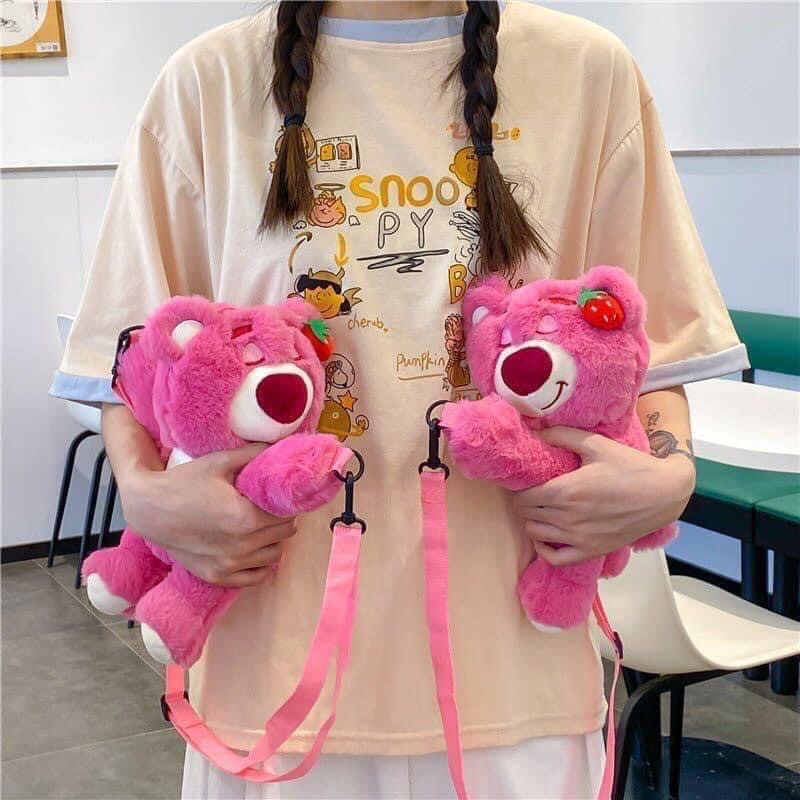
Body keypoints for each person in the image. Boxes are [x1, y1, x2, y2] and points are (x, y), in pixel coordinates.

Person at [50, 2, 748, 798]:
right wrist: (143, 494)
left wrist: (670, 476)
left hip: (515, 672)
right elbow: (128, 357)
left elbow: (651, 353)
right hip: (274, 678)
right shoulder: (206, 83)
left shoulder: (588, 73)